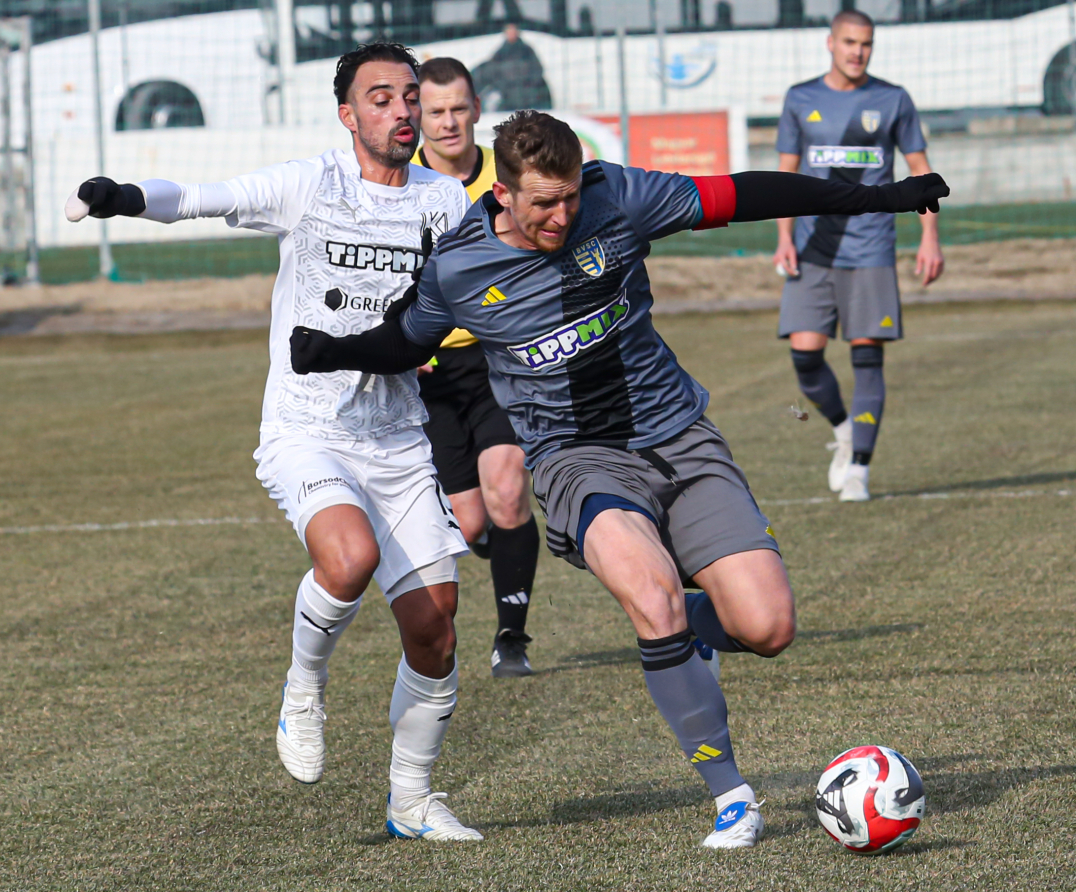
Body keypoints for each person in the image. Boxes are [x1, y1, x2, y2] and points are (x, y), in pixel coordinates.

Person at [289, 110, 947, 846]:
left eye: (569, 195)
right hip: (576, 460)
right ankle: (733, 797)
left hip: (678, 437)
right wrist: (330, 351)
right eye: (543, 201)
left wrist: (876, 197)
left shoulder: (618, 197)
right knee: (653, 595)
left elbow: (742, 193)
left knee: (767, 627)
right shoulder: (460, 268)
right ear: (501, 193)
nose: (561, 214)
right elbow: (404, 338)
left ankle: (693, 639)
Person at [65, 42, 482, 842]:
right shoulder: (309, 183)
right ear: (348, 114)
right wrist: (119, 195)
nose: (402, 113)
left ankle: (413, 801)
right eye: (383, 98)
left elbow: (481, 282)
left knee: (435, 629)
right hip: (307, 428)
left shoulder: (446, 202)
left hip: (398, 439)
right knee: (349, 558)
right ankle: (303, 687)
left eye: (410, 100)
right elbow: (199, 197)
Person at [773, 9, 944, 502]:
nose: (857, 51)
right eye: (849, 42)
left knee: (867, 359)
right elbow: (785, 177)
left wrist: (930, 237)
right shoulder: (800, 99)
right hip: (812, 247)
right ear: (831, 43)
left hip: (871, 249)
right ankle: (845, 430)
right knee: (805, 357)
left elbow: (921, 172)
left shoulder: (892, 99)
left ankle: (860, 472)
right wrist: (783, 237)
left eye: (866, 44)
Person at [412, 57, 539, 678]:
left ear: (477, 109)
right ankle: (495, 546)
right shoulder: (399, 184)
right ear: (418, 116)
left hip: (499, 361)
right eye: (434, 111)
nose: (447, 122)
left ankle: (511, 637)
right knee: (470, 523)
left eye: (458, 108)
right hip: (430, 377)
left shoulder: (506, 177)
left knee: (508, 492)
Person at [471, 24, 552, 111]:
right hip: (508, 96)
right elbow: (492, 70)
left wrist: (528, 82)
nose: (511, 34)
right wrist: (502, 85)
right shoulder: (500, 52)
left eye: (513, 31)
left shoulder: (527, 50)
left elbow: (538, 69)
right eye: (509, 31)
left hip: (528, 94)